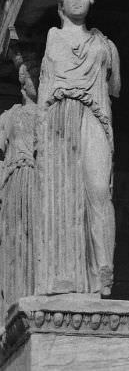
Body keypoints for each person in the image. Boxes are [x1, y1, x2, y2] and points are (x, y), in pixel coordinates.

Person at [36, 0, 120, 297]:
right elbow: (44, 88)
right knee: (63, 193)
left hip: (94, 114)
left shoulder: (103, 43)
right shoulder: (52, 38)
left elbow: (114, 86)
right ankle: (68, 275)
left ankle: (104, 268)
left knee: (98, 189)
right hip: (60, 116)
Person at [0, 51, 39, 314]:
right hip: (13, 180)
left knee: (36, 238)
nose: (35, 81)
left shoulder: (49, 114)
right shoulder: (8, 116)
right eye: (30, 75)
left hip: (37, 179)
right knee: (14, 239)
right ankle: (11, 303)